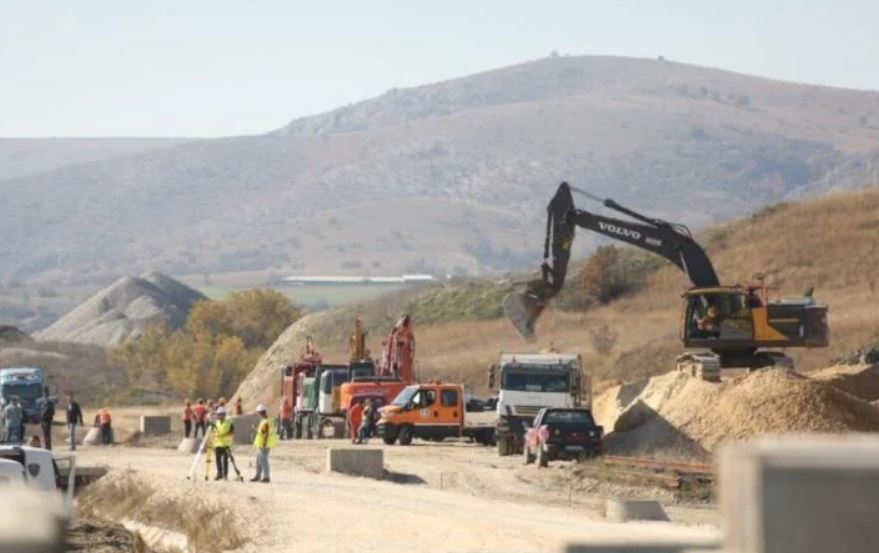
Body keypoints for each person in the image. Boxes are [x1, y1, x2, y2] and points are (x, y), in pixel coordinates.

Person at [250, 405, 276, 483]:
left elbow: (265, 434)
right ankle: (258, 475)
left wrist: (264, 443)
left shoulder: (266, 422)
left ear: (261, 413)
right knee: (258, 461)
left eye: (258, 413)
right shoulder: (264, 421)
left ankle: (266, 477)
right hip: (261, 444)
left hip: (264, 445)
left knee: (263, 461)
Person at [212, 406, 234, 480]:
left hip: (225, 445)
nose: (219, 415)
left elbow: (232, 432)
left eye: (221, 414)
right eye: (218, 414)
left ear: (224, 414)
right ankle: (219, 473)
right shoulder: (217, 422)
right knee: (217, 460)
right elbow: (214, 431)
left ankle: (225, 475)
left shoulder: (229, 422)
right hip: (217, 444)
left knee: (225, 460)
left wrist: (223, 435)